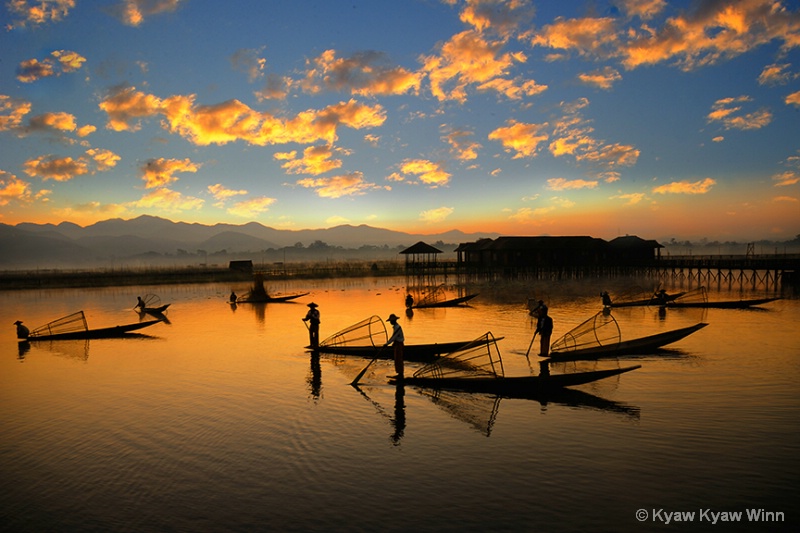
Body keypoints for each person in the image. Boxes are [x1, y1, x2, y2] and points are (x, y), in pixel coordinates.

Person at [385, 313, 405, 380]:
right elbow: (394, 338)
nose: (390, 322)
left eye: (391, 321)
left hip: (399, 344)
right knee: (397, 359)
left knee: (399, 359)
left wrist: (387, 344)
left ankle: (400, 374)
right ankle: (399, 373)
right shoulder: (396, 327)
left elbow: (394, 337)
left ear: (394, 321)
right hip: (397, 344)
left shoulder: (397, 327)